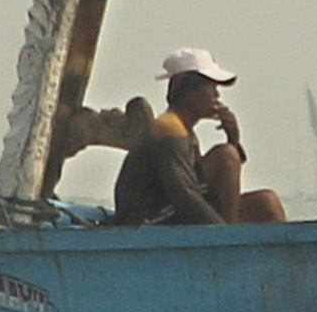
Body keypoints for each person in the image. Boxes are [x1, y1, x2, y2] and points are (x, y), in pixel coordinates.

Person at [113, 47, 286, 225]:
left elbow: (208, 184)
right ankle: (228, 242)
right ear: (187, 90)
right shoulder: (169, 128)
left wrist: (233, 140)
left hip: (171, 210)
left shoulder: (185, 130)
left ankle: (233, 243)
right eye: (211, 87)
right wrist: (221, 233)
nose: (216, 95)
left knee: (267, 203)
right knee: (226, 156)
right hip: (147, 220)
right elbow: (184, 195)